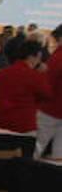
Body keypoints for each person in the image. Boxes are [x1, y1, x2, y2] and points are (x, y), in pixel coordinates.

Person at [0, 35, 51, 133]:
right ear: (32, 57)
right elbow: (48, 95)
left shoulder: (1, 73)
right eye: (39, 58)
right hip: (22, 127)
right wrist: (44, 74)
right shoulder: (34, 76)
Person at [39, 26, 62, 155]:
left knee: (37, 146)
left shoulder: (57, 57)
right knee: (60, 153)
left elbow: (47, 84)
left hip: (50, 109)